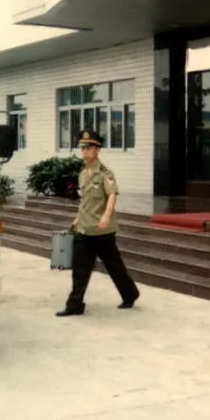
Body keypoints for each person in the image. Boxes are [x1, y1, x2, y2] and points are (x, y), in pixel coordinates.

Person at [56, 129, 140, 317]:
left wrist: (106, 217)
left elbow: (112, 195)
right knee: (80, 269)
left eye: (89, 148)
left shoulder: (105, 173)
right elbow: (85, 200)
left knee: (114, 266)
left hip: (102, 232)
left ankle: (130, 294)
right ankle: (75, 305)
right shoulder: (83, 173)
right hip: (84, 229)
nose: (85, 152)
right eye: (83, 148)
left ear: (97, 150)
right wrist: (77, 218)